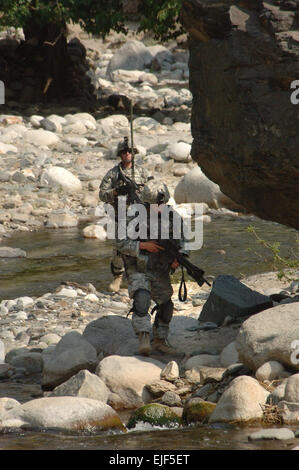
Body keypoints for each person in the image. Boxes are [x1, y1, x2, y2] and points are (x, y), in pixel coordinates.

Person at [116, 179, 188, 356]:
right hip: (138, 268)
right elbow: (120, 242)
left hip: (160, 269)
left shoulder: (173, 218)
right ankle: (144, 338)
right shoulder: (132, 217)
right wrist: (142, 246)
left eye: (162, 204)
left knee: (166, 305)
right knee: (142, 299)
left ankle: (160, 340)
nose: (160, 208)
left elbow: (184, 242)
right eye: (156, 205)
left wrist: (179, 259)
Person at [99, 137, 152, 292]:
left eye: (130, 151)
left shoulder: (142, 171)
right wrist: (116, 191)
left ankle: (140, 276)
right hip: (120, 214)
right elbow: (102, 194)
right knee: (118, 249)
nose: (127, 154)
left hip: (139, 215)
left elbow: (153, 189)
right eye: (124, 152)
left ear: (134, 153)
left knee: (142, 246)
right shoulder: (114, 174)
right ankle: (118, 276)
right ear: (120, 154)